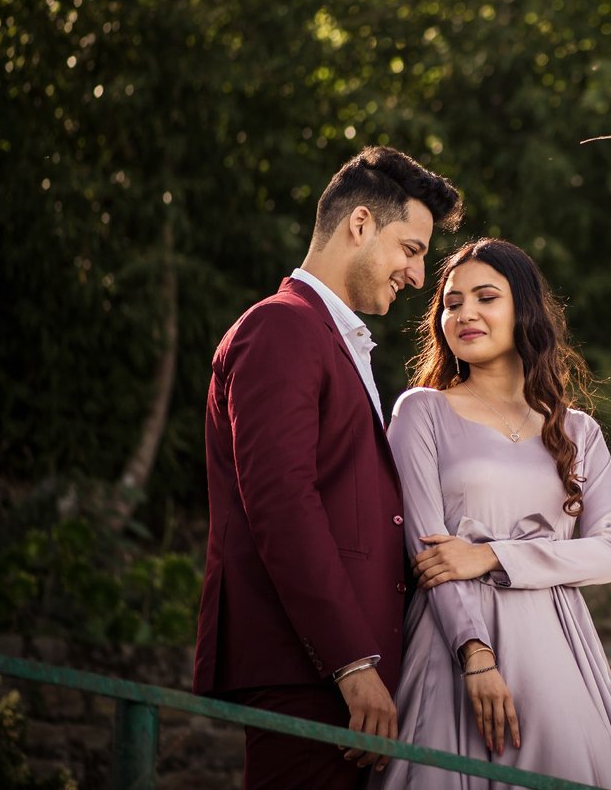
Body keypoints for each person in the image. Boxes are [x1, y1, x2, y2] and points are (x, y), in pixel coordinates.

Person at [194, 146, 462, 788]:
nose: (418, 275)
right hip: (309, 667)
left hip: (348, 678)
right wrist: (350, 662)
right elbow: (281, 504)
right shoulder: (280, 328)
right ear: (361, 224)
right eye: (413, 248)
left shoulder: (333, 339)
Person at [372, 238, 611, 790]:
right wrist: (476, 658)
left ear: (523, 309)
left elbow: (608, 553)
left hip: (558, 650)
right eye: (451, 302)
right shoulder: (420, 411)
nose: (465, 313)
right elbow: (429, 553)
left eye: (485, 297)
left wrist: (490, 554)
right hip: (454, 643)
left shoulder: (578, 431)